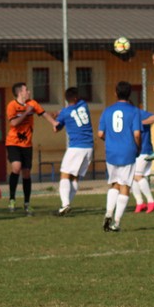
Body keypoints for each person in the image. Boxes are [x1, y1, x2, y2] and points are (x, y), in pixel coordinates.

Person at [6, 82, 58, 215]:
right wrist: (26, 112)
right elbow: (14, 123)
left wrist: (54, 123)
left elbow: (44, 114)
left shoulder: (33, 103)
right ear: (20, 93)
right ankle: (12, 199)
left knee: (27, 173)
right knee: (16, 167)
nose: (28, 91)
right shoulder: (12, 106)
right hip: (13, 143)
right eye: (26, 90)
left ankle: (27, 203)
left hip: (27, 145)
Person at [97, 81, 143, 232]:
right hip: (128, 151)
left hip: (111, 152)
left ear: (115, 93)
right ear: (129, 94)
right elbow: (137, 134)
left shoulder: (107, 111)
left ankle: (108, 212)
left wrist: (111, 141)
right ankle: (116, 222)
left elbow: (100, 134)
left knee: (114, 184)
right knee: (125, 186)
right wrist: (138, 147)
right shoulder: (134, 111)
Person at [50, 87, 94, 216]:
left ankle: (65, 205)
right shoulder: (84, 105)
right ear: (76, 97)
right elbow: (71, 110)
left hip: (76, 147)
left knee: (64, 174)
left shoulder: (65, 113)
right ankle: (67, 204)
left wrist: (55, 119)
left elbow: (56, 129)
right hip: (89, 147)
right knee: (75, 177)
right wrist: (60, 113)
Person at [131, 102, 154, 214]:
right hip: (134, 151)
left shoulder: (139, 113)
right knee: (132, 177)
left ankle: (151, 201)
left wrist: (140, 123)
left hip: (144, 150)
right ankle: (140, 203)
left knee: (137, 176)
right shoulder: (126, 117)